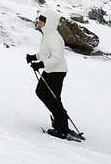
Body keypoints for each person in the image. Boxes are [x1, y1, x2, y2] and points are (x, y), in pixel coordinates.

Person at [26, 9, 71, 138]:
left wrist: (41, 64)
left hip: (57, 71)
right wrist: (34, 57)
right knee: (41, 92)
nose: (40, 23)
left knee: (53, 99)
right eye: (39, 21)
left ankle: (62, 128)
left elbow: (56, 57)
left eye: (42, 22)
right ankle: (60, 117)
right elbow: (46, 53)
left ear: (49, 22)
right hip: (49, 70)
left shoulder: (54, 37)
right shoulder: (46, 35)